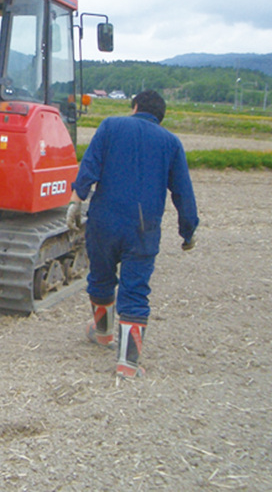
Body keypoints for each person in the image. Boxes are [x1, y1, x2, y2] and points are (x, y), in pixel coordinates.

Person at [70, 90, 198, 378]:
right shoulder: (171, 143)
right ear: (160, 116)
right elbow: (183, 192)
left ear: (135, 106)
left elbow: (89, 166)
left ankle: (103, 333)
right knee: (135, 288)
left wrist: (76, 200)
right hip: (143, 227)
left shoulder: (110, 126)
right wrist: (188, 231)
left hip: (103, 222)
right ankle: (127, 364)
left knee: (100, 277)